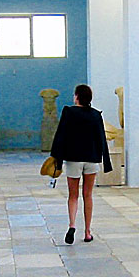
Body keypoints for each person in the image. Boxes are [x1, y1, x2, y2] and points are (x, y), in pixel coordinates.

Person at [50, 84, 113, 244]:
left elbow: (61, 135)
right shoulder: (96, 115)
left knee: (73, 195)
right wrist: (106, 161)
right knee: (88, 195)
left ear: (77, 96)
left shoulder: (68, 112)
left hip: (73, 159)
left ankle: (72, 225)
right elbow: (101, 139)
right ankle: (87, 232)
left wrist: (56, 158)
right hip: (91, 159)